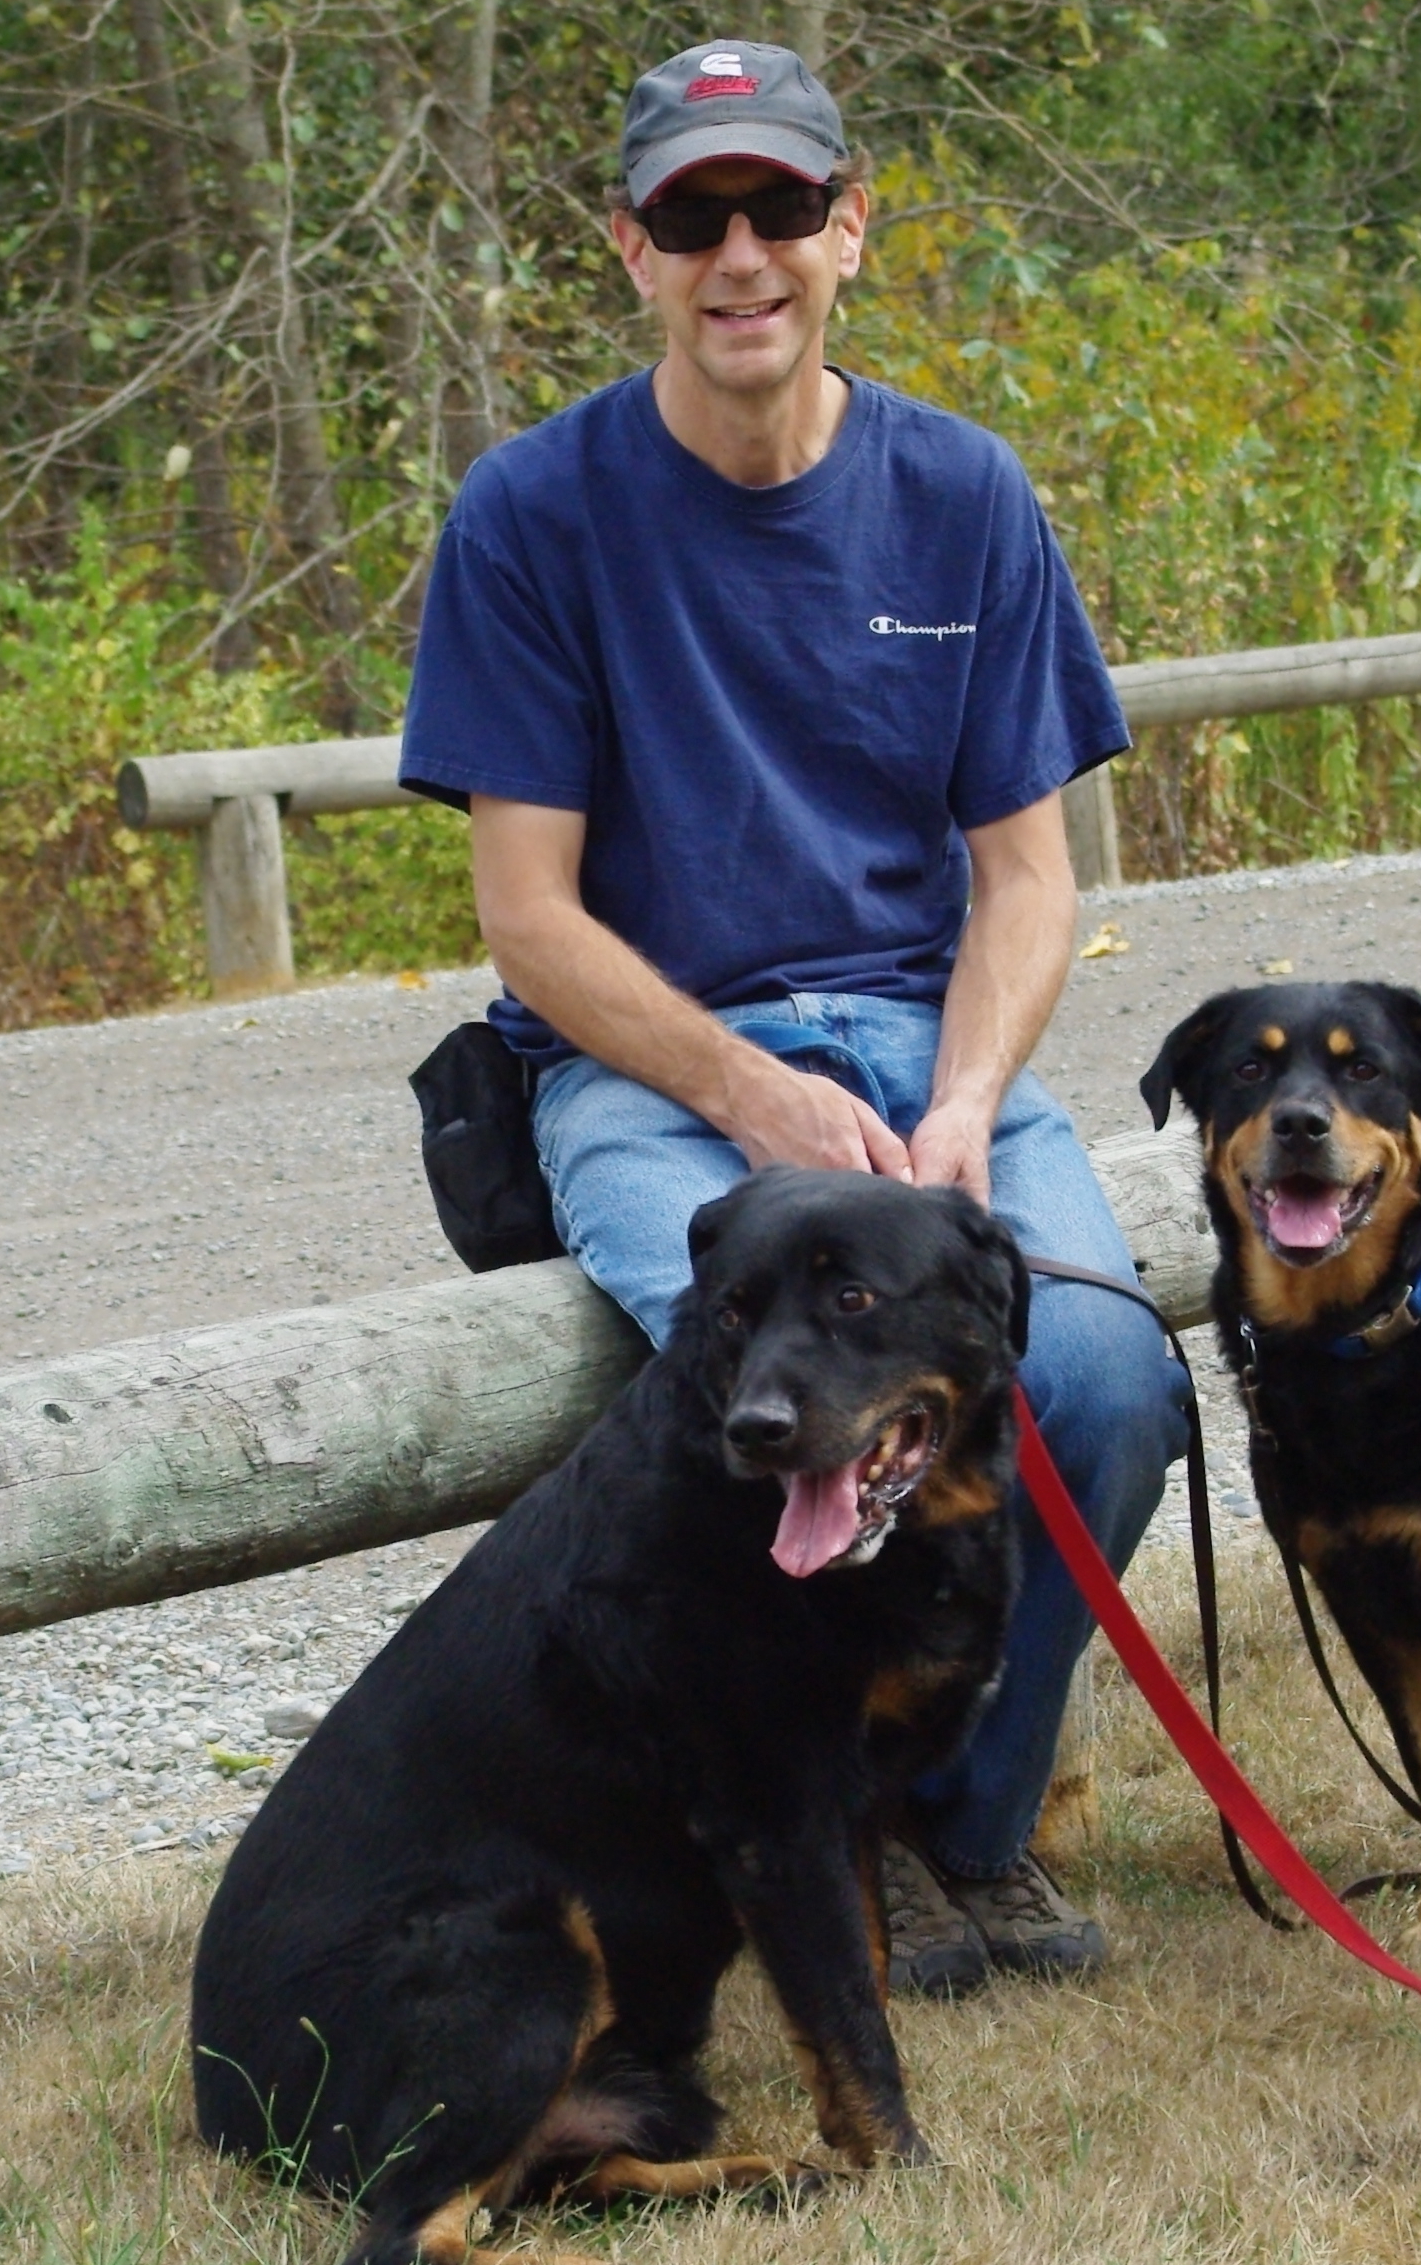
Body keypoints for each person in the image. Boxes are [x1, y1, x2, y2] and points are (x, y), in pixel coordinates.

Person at [396, 38, 1186, 1995]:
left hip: (927, 1054)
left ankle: (956, 1829)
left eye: (773, 210)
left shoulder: (963, 497)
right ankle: (778, 1833)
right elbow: (529, 919)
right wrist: (743, 1087)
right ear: (632, 253)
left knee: (1096, 1374)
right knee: (767, 1416)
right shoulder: (533, 515)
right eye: (690, 216)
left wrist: (958, 1102)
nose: (736, 251)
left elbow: (1027, 877)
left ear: (848, 230)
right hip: (651, 1067)